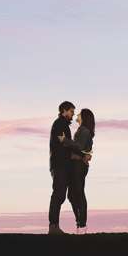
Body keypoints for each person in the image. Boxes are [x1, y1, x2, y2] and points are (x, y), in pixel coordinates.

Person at [60, 108, 94, 234]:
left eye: (79, 113)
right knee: (73, 194)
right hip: (77, 164)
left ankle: (82, 224)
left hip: (79, 165)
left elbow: (79, 146)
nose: (77, 114)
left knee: (78, 193)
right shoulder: (82, 130)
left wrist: (65, 141)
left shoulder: (84, 131)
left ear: (84, 117)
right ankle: (80, 221)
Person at [48, 101, 76, 235]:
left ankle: (54, 226)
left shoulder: (64, 125)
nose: (73, 114)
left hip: (62, 165)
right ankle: (53, 227)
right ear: (64, 110)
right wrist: (78, 147)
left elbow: (66, 142)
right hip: (59, 165)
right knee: (58, 194)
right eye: (71, 111)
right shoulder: (59, 124)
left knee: (60, 195)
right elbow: (62, 140)